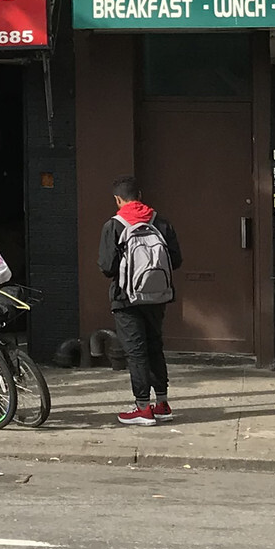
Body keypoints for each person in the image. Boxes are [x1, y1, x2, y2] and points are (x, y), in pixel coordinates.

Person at [98, 175, 182, 426]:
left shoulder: (113, 225)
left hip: (126, 298)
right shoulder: (161, 222)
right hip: (157, 296)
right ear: (140, 195)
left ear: (117, 200)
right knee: (155, 345)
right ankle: (163, 404)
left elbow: (106, 266)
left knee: (136, 352)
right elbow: (176, 260)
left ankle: (142, 408)